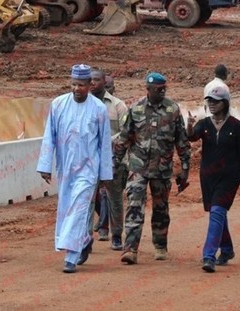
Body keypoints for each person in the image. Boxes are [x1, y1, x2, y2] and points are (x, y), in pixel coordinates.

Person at [36, 64, 113, 273]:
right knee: (67, 207)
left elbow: (104, 143)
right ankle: (85, 239)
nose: (76, 89)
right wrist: (45, 165)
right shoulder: (58, 104)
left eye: (81, 85)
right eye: (73, 84)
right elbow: (48, 136)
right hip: (66, 167)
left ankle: (71, 257)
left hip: (89, 169)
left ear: (90, 85)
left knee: (79, 208)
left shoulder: (99, 108)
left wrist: (105, 173)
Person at [113, 72, 191, 265]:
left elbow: (182, 141)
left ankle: (160, 245)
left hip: (162, 170)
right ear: (148, 90)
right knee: (134, 207)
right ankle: (130, 249)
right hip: (138, 168)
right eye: (158, 89)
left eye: (164, 88)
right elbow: (124, 138)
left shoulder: (172, 109)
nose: (162, 91)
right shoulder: (136, 109)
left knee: (161, 210)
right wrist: (114, 165)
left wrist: (185, 169)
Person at [186, 85, 240, 273]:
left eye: (216, 101)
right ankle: (227, 249)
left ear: (225, 103)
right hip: (207, 177)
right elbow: (192, 137)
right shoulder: (205, 124)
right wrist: (190, 126)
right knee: (218, 213)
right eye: (209, 101)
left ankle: (209, 256)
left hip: (229, 178)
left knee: (217, 211)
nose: (212, 104)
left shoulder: (236, 126)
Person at [89, 68, 129, 250]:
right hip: (89, 160)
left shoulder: (118, 106)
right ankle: (85, 237)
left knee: (115, 199)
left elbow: (126, 132)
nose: (92, 83)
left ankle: (117, 235)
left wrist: (105, 142)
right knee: (87, 198)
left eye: (96, 79)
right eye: (90, 80)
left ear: (105, 82)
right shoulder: (82, 103)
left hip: (113, 159)